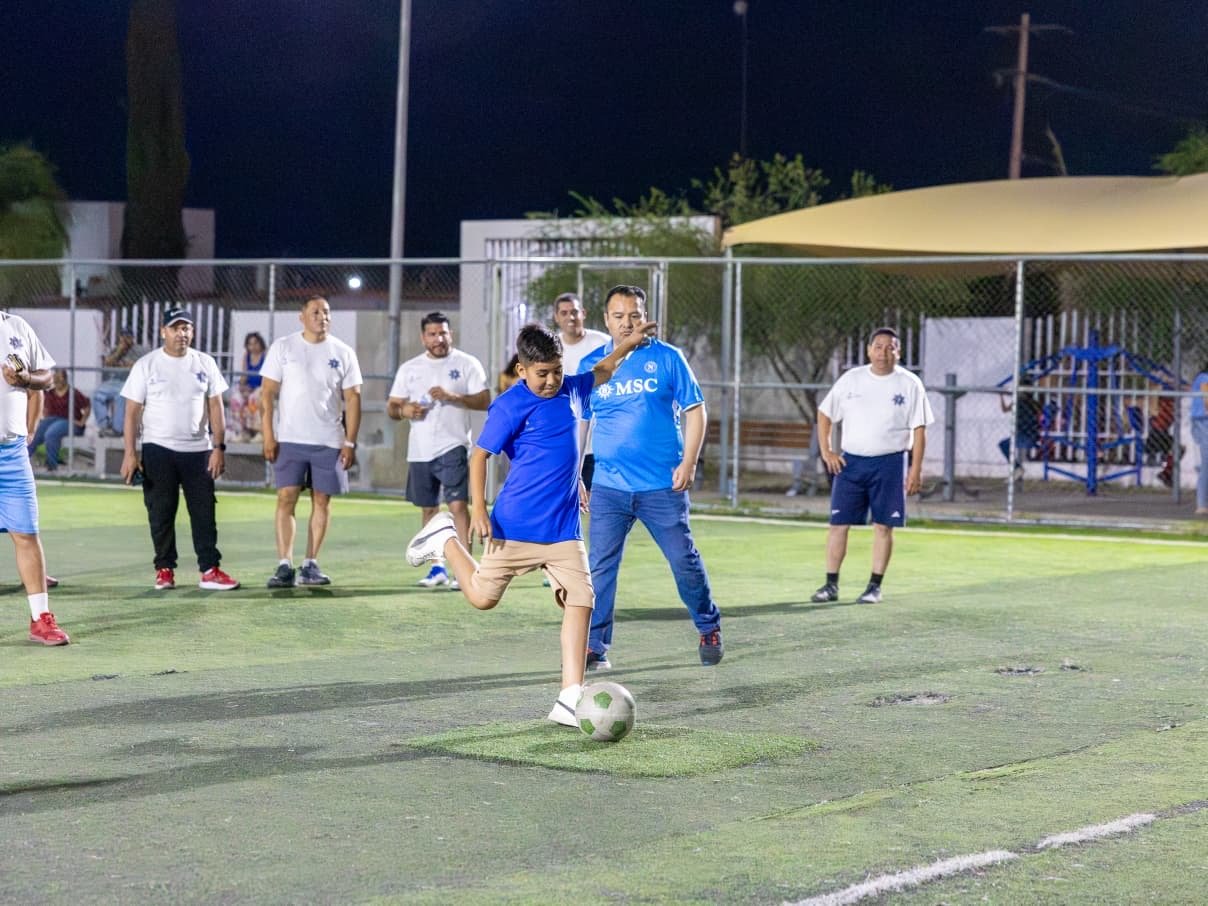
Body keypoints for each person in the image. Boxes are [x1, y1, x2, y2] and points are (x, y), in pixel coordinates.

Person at [404, 320, 656, 726]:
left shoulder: (572, 389)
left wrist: (628, 343)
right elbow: (479, 456)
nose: (552, 380)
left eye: (557, 370)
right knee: (482, 598)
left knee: (582, 597)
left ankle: (569, 697)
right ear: (522, 370)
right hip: (515, 525)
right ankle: (446, 536)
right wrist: (479, 509)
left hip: (563, 529)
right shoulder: (509, 405)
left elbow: (604, 369)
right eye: (542, 374)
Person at [578, 284, 723, 671]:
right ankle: (595, 644)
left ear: (645, 317)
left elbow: (696, 410)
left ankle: (708, 626)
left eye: (634, 315)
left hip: (662, 485)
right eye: (618, 316)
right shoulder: (594, 365)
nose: (627, 323)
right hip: (609, 486)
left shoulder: (668, 357)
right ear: (606, 320)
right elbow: (581, 422)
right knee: (600, 567)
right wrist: (575, 474)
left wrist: (689, 462)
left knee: (683, 560)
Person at [118, 307, 240, 591]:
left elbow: (216, 407)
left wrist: (219, 447)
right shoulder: (147, 364)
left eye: (186, 328)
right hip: (158, 448)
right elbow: (132, 412)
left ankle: (209, 570)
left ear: (192, 332)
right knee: (160, 512)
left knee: (204, 512)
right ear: (164, 332)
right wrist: (130, 453)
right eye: (175, 328)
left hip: (199, 450)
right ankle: (164, 570)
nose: (181, 333)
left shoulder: (205, 363)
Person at [810, 327, 935, 605]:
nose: (883, 353)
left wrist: (915, 469)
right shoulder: (851, 379)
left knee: (883, 526)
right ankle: (830, 585)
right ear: (868, 351)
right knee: (838, 524)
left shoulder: (910, 383)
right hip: (851, 463)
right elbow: (825, 414)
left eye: (890, 347)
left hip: (890, 463)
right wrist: (827, 451)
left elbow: (919, 429)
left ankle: (874, 586)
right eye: (878, 347)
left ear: (899, 352)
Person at [260, 295, 363, 587]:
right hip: (290, 438)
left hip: (329, 440)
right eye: (315, 312)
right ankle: (284, 565)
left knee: (322, 499)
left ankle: (310, 564)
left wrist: (350, 442)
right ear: (302, 317)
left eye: (326, 312)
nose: (322, 317)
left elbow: (353, 398)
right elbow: (267, 393)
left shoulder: (343, 352)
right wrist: (268, 434)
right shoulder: (284, 347)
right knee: (286, 497)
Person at [387, 311, 489, 589]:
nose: (438, 339)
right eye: (432, 334)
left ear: (450, 334)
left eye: (443, 333)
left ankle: (464, 571)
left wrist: (452, 396)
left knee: (458, 506)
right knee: (429, 508)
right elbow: (392, 407)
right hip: (420, 450)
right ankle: (437, 568)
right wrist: (405, 410)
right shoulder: (410, 368)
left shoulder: (466, 363)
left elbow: (484, 399)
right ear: (423, 337)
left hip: (453, 445)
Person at [0, 310, 70, 644]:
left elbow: (47, 378)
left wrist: (25, 378)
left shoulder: (16, 327)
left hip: (12, 453)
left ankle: (41, 619)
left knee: (27, 533)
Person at [553, 291, 609, 490]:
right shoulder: (551, 346)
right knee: (564, 495)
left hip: (596, 439)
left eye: (574, 312)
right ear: (556, 317)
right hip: (562, 437)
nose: (570, 317)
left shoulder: (602, 344)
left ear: (583, 313)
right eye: (564, 313)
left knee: (594, 498)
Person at [28, 369, 89, 472]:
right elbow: (44, 409)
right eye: (56, 378)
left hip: (70, 422)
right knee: (35, 431)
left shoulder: (73, 393)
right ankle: (22, 460)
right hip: (53, 420)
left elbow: (87, 406)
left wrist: (82, 422)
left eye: (60, 378)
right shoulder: (50, 393)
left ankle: (52, 466)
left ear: (65, 379)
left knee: (51, 433)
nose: (58, 381)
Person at [92, 327, 145, 436]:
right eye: (122, 336)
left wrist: (125, 364)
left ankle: (117, 429)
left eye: (128, 337)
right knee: (97, 395)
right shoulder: (116, 349)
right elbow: (108, 363)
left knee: (121, 395)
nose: (125, 339)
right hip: (114, 382)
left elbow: (140, 366)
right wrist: (120, 351)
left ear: (132, 338)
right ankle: (104, 426)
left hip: (130, 382)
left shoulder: (139, 350)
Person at [998, 383, 1043, 481]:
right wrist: (1001, 396)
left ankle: (1017, 468)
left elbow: (1040, 416)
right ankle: (1017, 469)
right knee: (1004, 444)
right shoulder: (1022, 402)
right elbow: (1005, 409)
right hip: (1027, 435)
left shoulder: (1027, 403)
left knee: (1004, 445)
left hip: (1027, 436)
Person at [1191, 361, 1208, 517]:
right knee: (1206, 463)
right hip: (1203, 421)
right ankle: (1202, 503)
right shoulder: (1204, 377)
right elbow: (1206, 401)